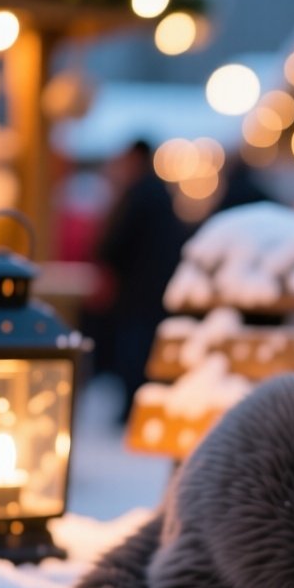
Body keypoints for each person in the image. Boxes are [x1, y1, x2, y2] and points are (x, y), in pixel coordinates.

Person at [96, 140, 191, 425]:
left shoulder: (137, 195)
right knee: (145, 351)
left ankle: (133, 412)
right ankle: (140, 409)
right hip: (155, 290)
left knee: (134, 352)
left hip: (136, 292)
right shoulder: (162, 193)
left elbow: (113, 244)